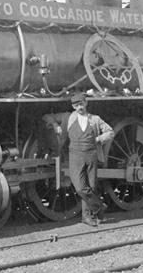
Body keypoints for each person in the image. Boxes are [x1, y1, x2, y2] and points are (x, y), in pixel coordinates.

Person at [44, 93, 114, 226]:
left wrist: (99, 139)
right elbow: (47, 116)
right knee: (80, 187)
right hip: (75, 155)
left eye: (81, 104)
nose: (79, 107)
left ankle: (87, 217)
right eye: (76, 106)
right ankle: (99, 207)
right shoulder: (68, 117)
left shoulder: (95, 119)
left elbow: (110, 132)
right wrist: (54, 125)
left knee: (91, 186)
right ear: (73, 107)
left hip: (91, 154)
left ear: (86, 103)